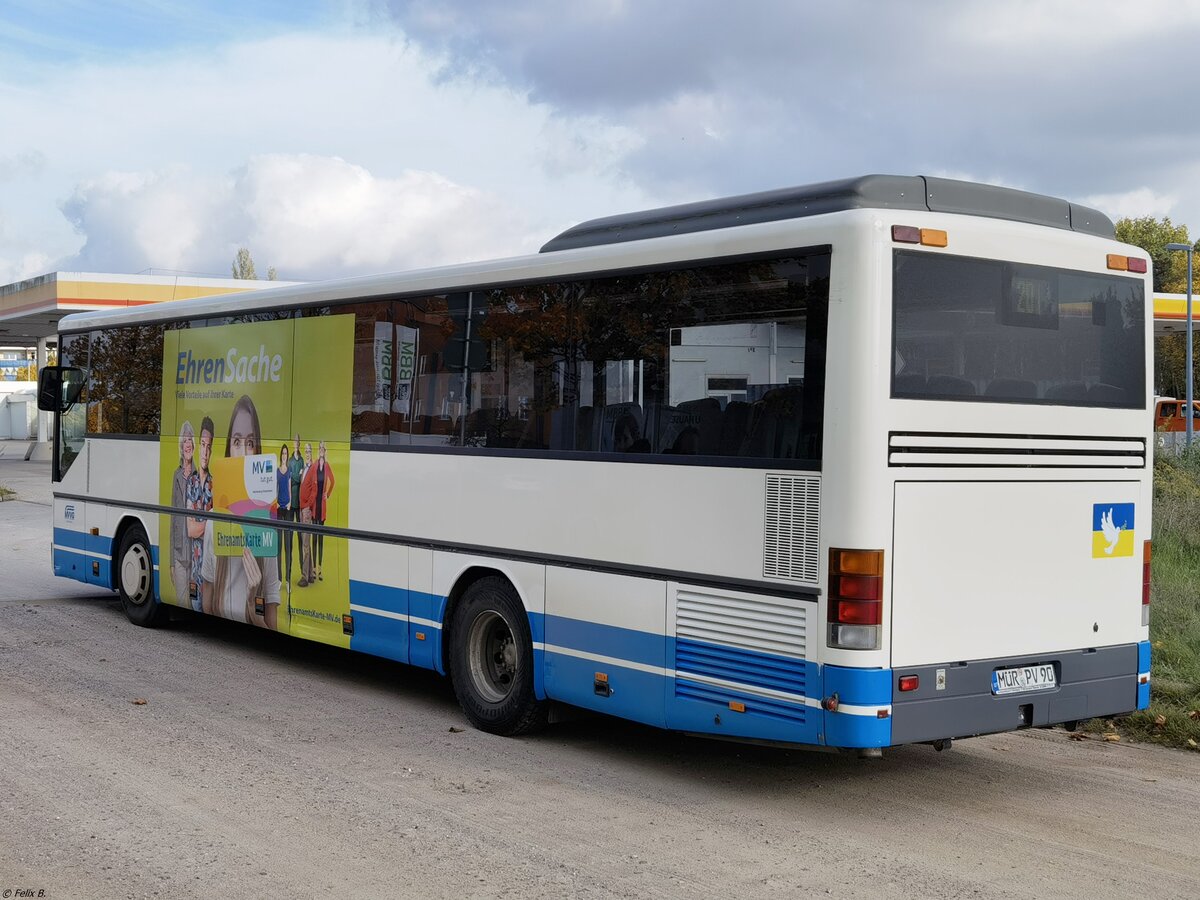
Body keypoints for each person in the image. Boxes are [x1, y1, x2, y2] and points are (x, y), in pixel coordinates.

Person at [200, 395, 281, 629]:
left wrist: (252, 600)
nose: (244, 454)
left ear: (257, 449)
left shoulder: (267, 529)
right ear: (228, 449)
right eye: (237, 442)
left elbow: (272, 628)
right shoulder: (214, 521)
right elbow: (207, 607)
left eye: (250, 442)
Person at [185, 416, 214, 612]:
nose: (205, 451)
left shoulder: (217, 483)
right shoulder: (191, 482)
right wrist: (211, 525)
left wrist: (202, 526)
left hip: (213, 577)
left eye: (209, 446)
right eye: (202, 444)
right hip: (195, 573)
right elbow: (190, 529)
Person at [301, 440, 336, 581]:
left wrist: (327, 494)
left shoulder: (327, 466)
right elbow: (310, 482)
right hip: (314, 506)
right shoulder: (315, 465)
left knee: (320, 538)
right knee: (314, 538)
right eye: (320, 448)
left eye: (323, 448)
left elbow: (333, 481)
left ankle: (320, 569)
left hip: (322, 507)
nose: (321, 450)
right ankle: (313, 569)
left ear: (325, 451)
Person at [169, 421, 195, 606]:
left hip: (195, 553)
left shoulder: (201, 474)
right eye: (184, 440)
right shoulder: (176, 475)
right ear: (181, 445)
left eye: (190, 440)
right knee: (180, 600)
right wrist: (171, 561)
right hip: (179, 551)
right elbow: (173, 518)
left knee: (196, 603)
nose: (187, 443)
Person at [274, 443, 292, 592]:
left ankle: (288, 580)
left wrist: (290, 503)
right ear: (281, 455)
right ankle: (279, 579)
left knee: (288, 546)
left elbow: (289, 488)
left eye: (286, 454)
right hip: (279, 509)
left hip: (287, 509)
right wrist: (276, 503)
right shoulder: (277, 471)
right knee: (279, 546)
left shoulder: (289, 470)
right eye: (283, 454)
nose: (284, 456)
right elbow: (276, 490)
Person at [287, 433, 304, 586]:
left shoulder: (302, 460)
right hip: (291, 503)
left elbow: (300, 479)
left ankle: (303, 573)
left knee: (301, 539)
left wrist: (297, 478)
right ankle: (288, 574)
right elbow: (292, 479)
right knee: (290, 540)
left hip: (300, 503)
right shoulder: (291, 461)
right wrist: (297, 478)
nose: (297, 444)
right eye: (295, 441)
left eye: (299, 441)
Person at [298, 442, 315, 587]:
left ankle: (305, 576)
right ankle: (311, 574)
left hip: (306, 510)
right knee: (306, 542)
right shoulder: (305, 468)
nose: (306, 453)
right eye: (305, 451)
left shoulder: (313, 469)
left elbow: (314, 490)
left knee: (305, 543)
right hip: (302, 508)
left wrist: (308, 506)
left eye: (308, 451)